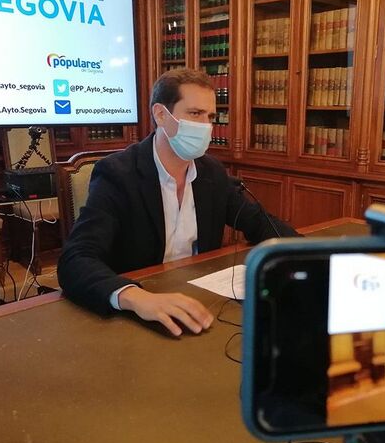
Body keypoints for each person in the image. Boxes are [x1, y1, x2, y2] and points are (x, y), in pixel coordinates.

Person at [58, 69, 297, 336]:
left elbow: (259, 222)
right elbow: (75, 259)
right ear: (161, 115)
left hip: (200, 302)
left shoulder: (211, 172)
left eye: (210, 117)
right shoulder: (117, 174)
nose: (205, 126)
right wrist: (136, 297)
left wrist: (311, 256)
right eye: (195, 113)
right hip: (135, 316)